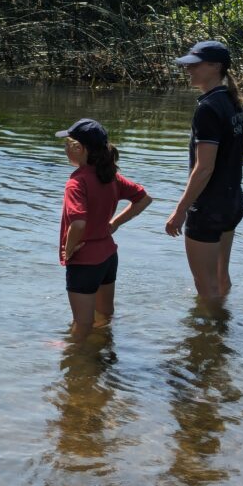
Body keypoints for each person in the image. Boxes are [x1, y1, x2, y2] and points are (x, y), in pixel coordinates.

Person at [165, 41, 243, 305]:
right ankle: (221, 332)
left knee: (206, 287)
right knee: (221, 278)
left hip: (209, 208)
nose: (188, 70)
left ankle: (209, 343)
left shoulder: (207, 109)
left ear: (215, 66)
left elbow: (204, 168)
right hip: (232, 203)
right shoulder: (233, 102)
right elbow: (240, 155)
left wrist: (180, 211)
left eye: (195, 65)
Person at [57, 118, 152, 341]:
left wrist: (69, 249)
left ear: (78, 148)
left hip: (85, 261)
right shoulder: (109, 176)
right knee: (105, 316)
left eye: (66, 145)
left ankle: (77, 363)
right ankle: (103, 352)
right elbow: (144, 199)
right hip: (108, 256)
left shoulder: (76, 183)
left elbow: (78, 223)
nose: (65, 150)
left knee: (82, 324)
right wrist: (114, 223)